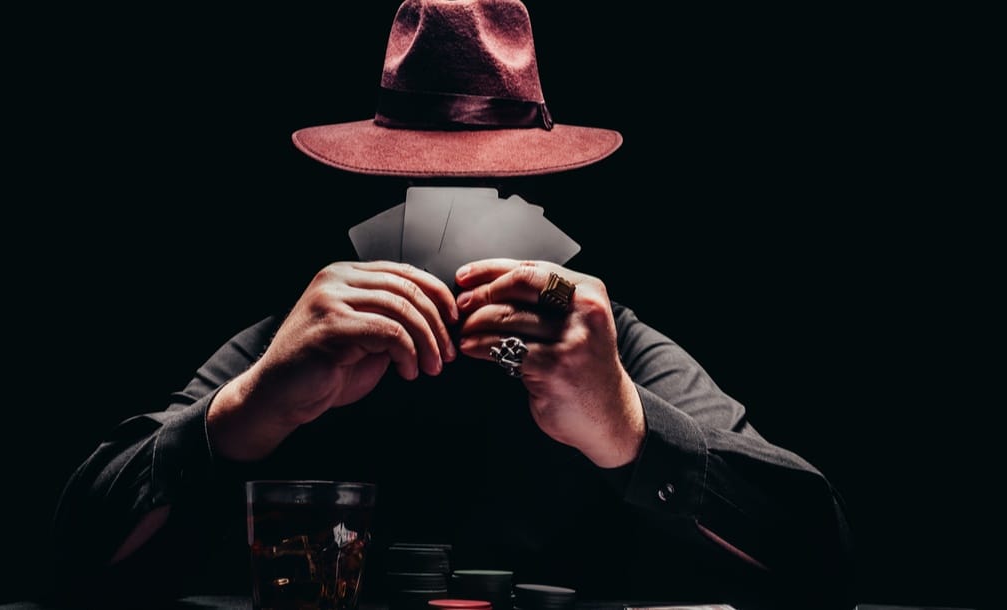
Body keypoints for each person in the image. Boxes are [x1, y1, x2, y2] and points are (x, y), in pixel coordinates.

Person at [50, 1, 855, 608]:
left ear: (531, 188)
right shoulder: (298, 338)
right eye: (425, 176)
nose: (453, 212)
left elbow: (824, 562)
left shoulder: (607, 345)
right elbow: (69, 561)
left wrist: (630, 431)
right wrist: (250, 409)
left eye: (482, 179)